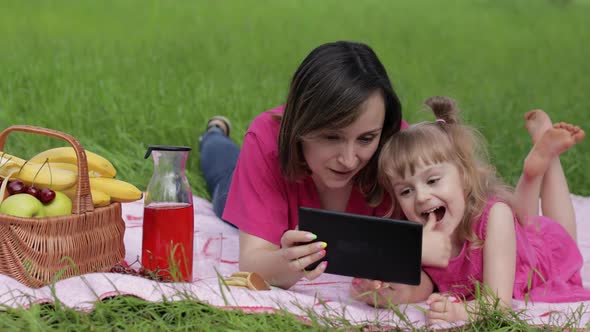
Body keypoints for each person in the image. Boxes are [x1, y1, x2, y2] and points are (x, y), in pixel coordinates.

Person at [199, 41, 448, 290]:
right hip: (245, 181)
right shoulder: (265, 139)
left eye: (366, 138)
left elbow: (460, 226)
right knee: (223, 178)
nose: (349, 160)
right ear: (300, 123)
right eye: (332, 137)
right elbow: (254, 262)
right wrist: (286, 263)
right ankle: (213, 134)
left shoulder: (400, 150)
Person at [352, 96, 588, 325]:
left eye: (433, 180)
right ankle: (535, 168)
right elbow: (424, 286)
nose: (421, 197)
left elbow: (497, 302)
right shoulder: (419, 233)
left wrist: (461, 311)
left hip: (538, 260)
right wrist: (383, 292)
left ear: (464, 176)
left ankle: (547, 159)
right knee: (526, 223)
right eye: (405, 191)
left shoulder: (495, 216)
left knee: (561, 237)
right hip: (514, 243)